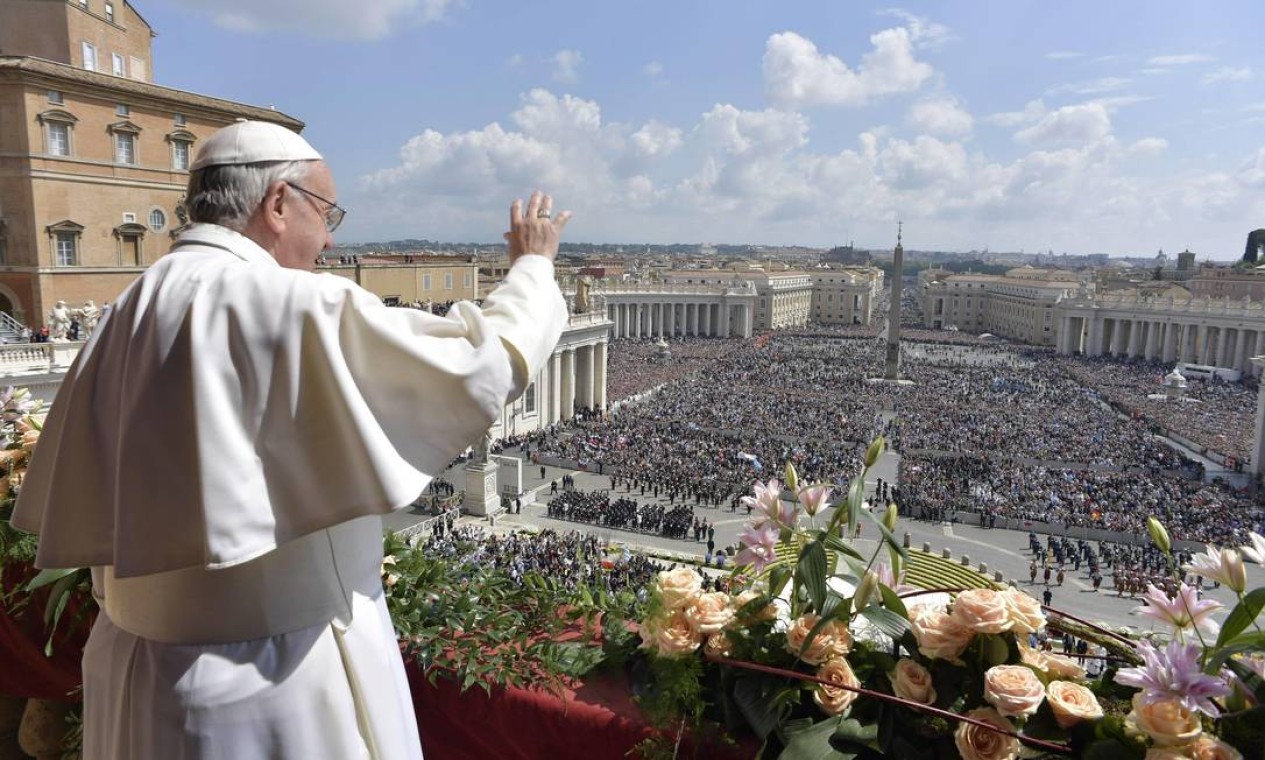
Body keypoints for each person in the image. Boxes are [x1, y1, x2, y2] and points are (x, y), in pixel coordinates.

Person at [12, 120, 572, 760]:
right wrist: (532, 267)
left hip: (140, 675)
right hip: (276, 684)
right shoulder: (290, 302)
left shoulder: (128, 308)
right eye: (327, 211)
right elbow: (480, 366)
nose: (331, 238)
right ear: (278, 204)